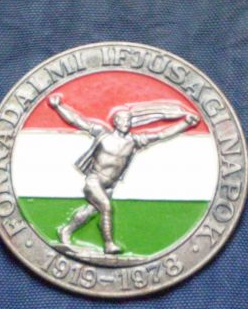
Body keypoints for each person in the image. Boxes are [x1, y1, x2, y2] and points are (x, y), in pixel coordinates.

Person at [48, 94, 200, 254]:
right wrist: (58, 106)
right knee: (106, 207)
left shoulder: (133, 141)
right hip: (94, 181)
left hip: (109, 186)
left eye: (128, 121)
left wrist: (186, 124)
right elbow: (77, 121)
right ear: (115, 122)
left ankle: (66, 230)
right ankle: (109, 245)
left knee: (90, 211)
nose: (126, 123)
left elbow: (162, 134)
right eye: (122, 120)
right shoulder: (102, 134)